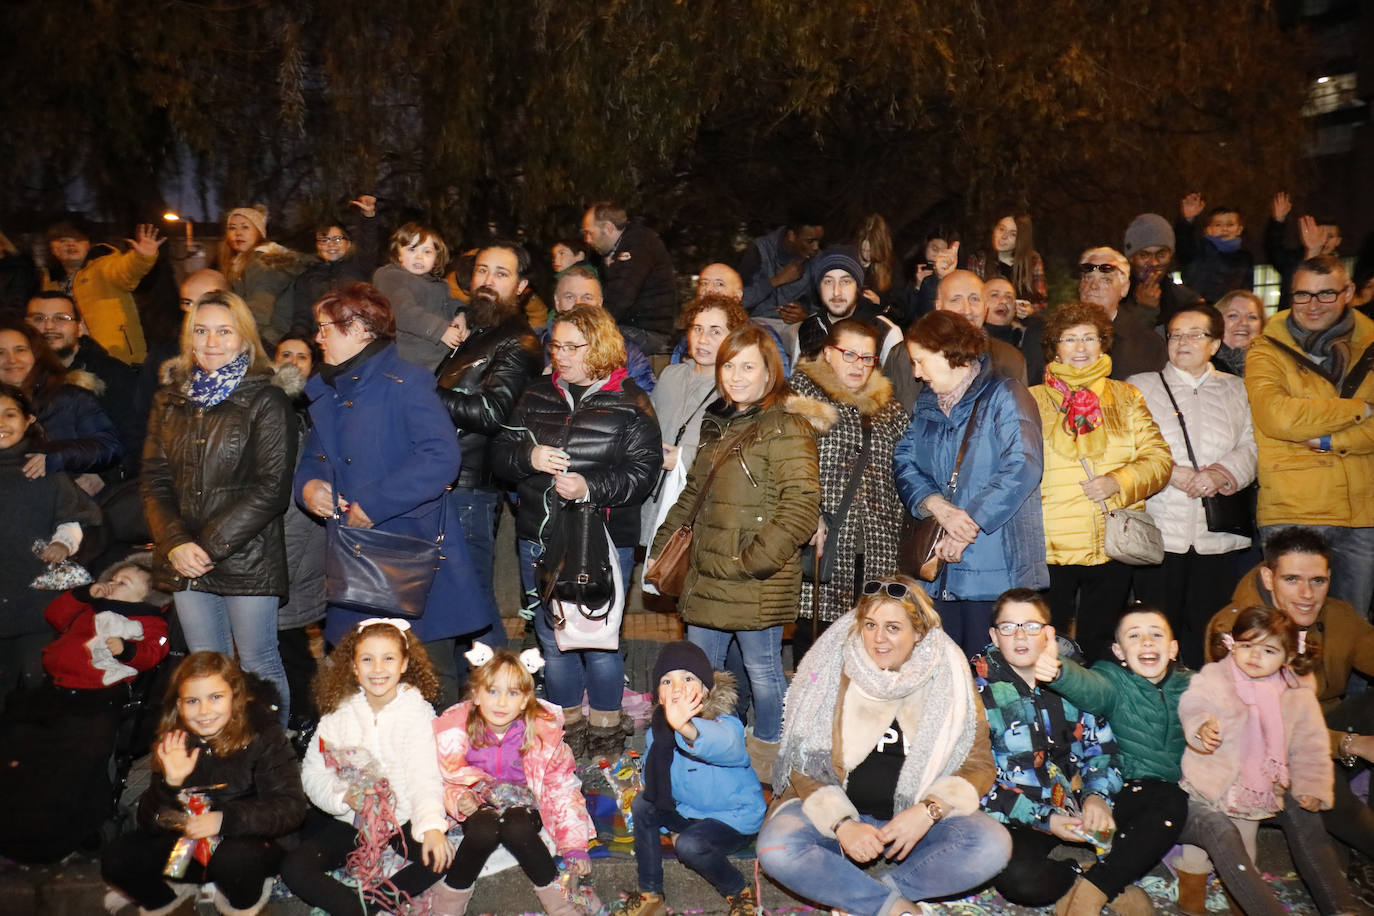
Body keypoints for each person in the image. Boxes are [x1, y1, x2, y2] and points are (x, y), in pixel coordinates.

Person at [757, 577, 1011, 916]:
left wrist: (928, 811)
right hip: (837, 814)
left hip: (914, 823)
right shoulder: (834, 665)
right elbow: (805, 760)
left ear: (918, 632)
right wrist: (842, 823)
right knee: (776, 847)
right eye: (870, 625)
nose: (878, 638)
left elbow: (979, 763)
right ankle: (893, 909)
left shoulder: (950, 674)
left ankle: (871, 897)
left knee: (992, 845)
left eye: (893, 627)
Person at [295, 283, 498, 706]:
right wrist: (310, 486)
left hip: (412, 555)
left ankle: (441, 765)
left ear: (361, 330)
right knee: (356, 676)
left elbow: (441, 458)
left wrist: (375, 504)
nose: (318, 337)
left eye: (325, 327)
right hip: (354, 555)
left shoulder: (406, 383)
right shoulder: (329, 388)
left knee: (427, 677)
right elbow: (317, 456)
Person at [649, 325, 820, 782]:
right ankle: (709, 756)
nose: (737, 376)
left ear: (770, 372)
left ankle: (768, 762)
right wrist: (663, 548)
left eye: (749, 366)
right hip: (706, 572)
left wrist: (754, 562)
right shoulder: (716, 421)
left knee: (763, 671)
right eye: (729, 365)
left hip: (753, 578)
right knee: (700, 674)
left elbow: (801, 505)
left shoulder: (786, 424)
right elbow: (691, 497)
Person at [491, 304, 661, 761]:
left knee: (601, 641)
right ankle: (564, 740)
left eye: (572, 346)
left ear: (600, 346)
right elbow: (499, 454)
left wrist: (592, 486)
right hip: (540, 535)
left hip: (603, 540)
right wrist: (529, 458)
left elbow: (644, 474)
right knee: (553, 641)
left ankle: (605, 739)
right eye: (556, 345)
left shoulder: (630, 400)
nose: (560, 355)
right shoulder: (535, 395)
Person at [141, 290, 298, 719]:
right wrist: (175, 543)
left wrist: (206, 547)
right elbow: (154, 480)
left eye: (223, 331)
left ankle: (271, 762)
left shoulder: (266, 399)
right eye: (201, 331)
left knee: (258, 664)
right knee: (205, 669)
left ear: (244, 339)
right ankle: (217, 756)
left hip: (246, 555)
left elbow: (271, 488)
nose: (211, 342)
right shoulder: (170, 400)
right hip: (185, 555)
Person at [1204, 528, 1374, 859]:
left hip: (1326, 728)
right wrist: (1352, 744)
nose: (1308, 594)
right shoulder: (1235, 630)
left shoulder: (1337, 615)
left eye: (1318, 581)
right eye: (1292, 580)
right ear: (1268, 578)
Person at [1175, 605, 1355, 916]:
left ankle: (1242, 896)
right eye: (1246, 646)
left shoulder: (1297, 696)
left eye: (1268, 650)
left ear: (1287, 657)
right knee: (1197, 850)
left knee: (1245, 848)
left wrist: (1312, 787)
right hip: (1210, 777)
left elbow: (1311, 747)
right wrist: (1201, 726)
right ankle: (1190, 894)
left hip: (1254, 788)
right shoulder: (1217, 676)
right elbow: (1193, 703)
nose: (1254, 657)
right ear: (1233, 644)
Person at [101, 652, 307, 916]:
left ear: (235, 696)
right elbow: (150, 822)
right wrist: (170, 784)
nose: (204, 711)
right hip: (188, 848)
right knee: (117, 858)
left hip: (250, 845)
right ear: (180, 704)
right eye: (192, 701)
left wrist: (224, 820)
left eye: (216, 697)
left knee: (232, 862)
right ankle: (170, 897)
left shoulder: (264, 737)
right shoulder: (175, 741)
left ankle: (239, 900)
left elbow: (291, 809)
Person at [896, 311, 1047, 655]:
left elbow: (1024, 465)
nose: (916, 373)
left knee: (993, 679)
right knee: (943, 677)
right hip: (937, 573)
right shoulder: (927, 405)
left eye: (921, 361)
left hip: (996, 569)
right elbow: (904, 460)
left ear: (948, 352)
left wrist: (968, 523)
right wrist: (936, 505)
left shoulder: (1006, 394)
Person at [1031, 302, 1171, 662]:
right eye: (1070, 339)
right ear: (1054, 347)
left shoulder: (1126, 397)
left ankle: (1098, 715)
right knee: (1048, 644)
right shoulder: (1031, 400)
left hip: (1112, 542)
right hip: (1050, 545)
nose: (1080, 348)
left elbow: (1159, 460)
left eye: (1089, 338)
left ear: (1103, 343)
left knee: (1100, 645)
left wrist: (1117, 481)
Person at [283, 620, 451, 916]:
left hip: (403, 818)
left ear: (404, 664)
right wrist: (342, 798)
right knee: (295, 868)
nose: (377, 668)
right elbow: (312, 774)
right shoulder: (338, 716)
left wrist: (432, 828)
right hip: (352, 821)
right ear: (354, 666)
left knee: (443, 857)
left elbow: (425, 777)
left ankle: (373, 903)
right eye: (367, 659)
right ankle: (356, 909)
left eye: (388, 658)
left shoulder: (417, 713)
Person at [1032, 605, 1191, 916]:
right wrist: (1059, 669)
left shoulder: (1192, 685)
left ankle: (1092, 884)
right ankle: (1097, 890)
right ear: (1119, 651)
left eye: (1156, 635)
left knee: (1170, 803)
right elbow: (1090, 689)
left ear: (1173, 648)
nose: (1146, 642)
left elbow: (1225, 701)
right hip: (1116, 788)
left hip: (1161, 796)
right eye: (1135, 636)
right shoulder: (1113, 680)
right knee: (1170, 802)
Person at [971, 589, 1122, 908]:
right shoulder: (977, 694)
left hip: (1079, 801)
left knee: (1155, 810)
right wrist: (1045, 820)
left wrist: (1097, 797)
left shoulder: (1073, 679)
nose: (1020, 636)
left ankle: (1103, 872)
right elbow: (975, 780)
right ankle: (1083, 873)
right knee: (1018, 878)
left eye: (1031, 626)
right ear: (995, 637)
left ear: (1049, 633)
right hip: (1020, 815)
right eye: (1008, 627)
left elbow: (1103, 747)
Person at [1127, 303, 1257, 667]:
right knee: (1156, 628)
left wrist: (1221, 474)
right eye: (1175, 335)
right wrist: (1171, 473)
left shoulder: (1236, 389)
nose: (1182, 341)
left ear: (1214, 344)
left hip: (1216, 533)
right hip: (1160, 530)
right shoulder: (1141, 386)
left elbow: (1252, 444)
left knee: (1210, 629)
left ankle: (1208, 707)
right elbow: (1127, 446)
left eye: (1194, 334)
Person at [1245, 255, 1374, 618]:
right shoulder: (1266, 347)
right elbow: (1278, 418)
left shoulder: (1370, 343)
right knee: (1287, 630)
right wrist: (1360, 409)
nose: (1312, 306)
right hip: (1294, 508)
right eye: (1302, 295)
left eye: (1325, 294)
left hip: (1362, 513)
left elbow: (1296, 416)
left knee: (1352, 633)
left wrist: (1334, 440)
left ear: (1348, 292)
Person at [430, 644, 594, 916]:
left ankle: (563, 905)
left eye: (512, 693)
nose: (502, 702)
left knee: (515, 825)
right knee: (485, 826)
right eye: (492, 691)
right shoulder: (455, 731)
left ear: (525, 699)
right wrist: (459, 798)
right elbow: (442, 779)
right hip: (480, 807)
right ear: (477, 695)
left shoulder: (542, 735)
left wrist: (574, 845)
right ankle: (446, 908)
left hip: (526, 806)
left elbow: (562, 789)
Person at [434, 243, 544, 641]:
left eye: (501, 274)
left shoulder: (518, 342)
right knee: (456, 607)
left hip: (470, 490)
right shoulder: (474, 332)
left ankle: (497, 694)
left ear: (522, 286)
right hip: (445, 482)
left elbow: (491, 414)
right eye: (482, 271)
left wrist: (424, 391)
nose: (487, 281)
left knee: (473, 608)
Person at [614, 641, 765, 916]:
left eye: (688, 678)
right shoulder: (656, 735)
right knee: (642, 804)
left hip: (732, 819)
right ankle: (651, 895)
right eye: (667, 681)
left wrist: (686, 728)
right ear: (658, 696)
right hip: (688, 813)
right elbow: (660, 789)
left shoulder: (725, 723)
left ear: (706, 690)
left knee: (689, 844)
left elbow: (726, 745)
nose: (678, 687)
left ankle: (739, 891)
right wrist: (668, 825)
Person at [790, 318, 909, 659]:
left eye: (868, 358)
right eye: (849, 354)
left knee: (869, 641)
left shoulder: (889, 408)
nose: (859, 365)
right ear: (828, 353)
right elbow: (789, 466)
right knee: (816, 641)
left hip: (876, 544)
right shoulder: (802, 398)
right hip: (822, 543)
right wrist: (808, 514)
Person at [0, 382, 101, 705]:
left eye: (9, 414)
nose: (1, 424)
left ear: (29, 419)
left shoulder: (43, 468)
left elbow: (72, 517)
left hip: (38, 598)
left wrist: (63, 543)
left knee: (37, 680)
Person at [640, 294, 748, 549]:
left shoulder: (737, 388)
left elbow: (738, 455)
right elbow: (647, 428)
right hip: (652, 501)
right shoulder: (670, 375)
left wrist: (683, 457)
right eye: (697, 329)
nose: (703, 339)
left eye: (715, 331)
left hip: (698, 509)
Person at [26, 291, 141, 476]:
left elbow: (135, 437)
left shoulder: (111, 374)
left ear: (79, 328)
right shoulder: (16, 374)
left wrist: (105, 478)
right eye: (38, 318)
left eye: (61, 318)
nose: (48, 326)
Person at [0, 315, 123, 482]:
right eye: (0, 352)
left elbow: (109, 447)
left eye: (20, 350)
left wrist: (55, 455)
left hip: (69, 501)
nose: (12, 359)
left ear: (36, 355)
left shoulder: (70, 398)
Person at [1028, 247, 1168, 382]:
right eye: (1087, 278)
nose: (1093, 286)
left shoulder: (1148, 345)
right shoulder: (1047, 335)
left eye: (1105, 279)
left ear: (1124, 288)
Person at [45, 221, 164, 364]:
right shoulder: (48, 283)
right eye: (63, 240)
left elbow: (125, 270)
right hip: (68, 360)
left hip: (116, 358)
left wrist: (142, 257)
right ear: (53, 248)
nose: (71, 244)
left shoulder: (102, 266)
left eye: (78, 239)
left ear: (88, 244)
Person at [536, 266, 656, 393]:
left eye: (587, 298)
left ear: (599, 304)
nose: (578, 304)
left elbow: (645, 398)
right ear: (557, 302)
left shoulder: (626, 352)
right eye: (569, 297)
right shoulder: (536, 348)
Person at [580, 201, 677, 353]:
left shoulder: (639, 244)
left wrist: (587, 326)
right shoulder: (622, 247)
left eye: (589, 233)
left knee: (582, 342)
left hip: (647, 333)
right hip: (637, 329)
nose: (587, 240)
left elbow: (620, 298)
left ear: (608, 228)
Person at [372, 222, 463, 370]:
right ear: (398, 254)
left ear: (436, 258)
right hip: (408, 362)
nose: (419, 257)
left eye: (427, 252)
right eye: (412, 249)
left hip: (438, 359)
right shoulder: (391, 277)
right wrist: (441, 330)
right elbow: (402, 311)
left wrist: (461, 314)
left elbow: (448, 302)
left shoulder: (436, 283)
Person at [288, 195, 382, 331]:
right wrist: (298, 340)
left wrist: (368, 216)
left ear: (348, 244)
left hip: (358, 336)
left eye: (337, 239)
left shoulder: (360, 268)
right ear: (317, 246)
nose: (331, 245)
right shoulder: (306, 279)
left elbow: (368, 245)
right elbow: (301, 318)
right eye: (324, 240)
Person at [218, 205, 309, 343]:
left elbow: (258, 312)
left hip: (268, 339)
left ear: (259, 232)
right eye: (232, 227)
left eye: (245, 227)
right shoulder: (240, 263)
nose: (238, 233)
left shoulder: (261, 264)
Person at [796, 245, 901, 363]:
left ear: (858, 287)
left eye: (845, 282)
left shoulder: (886, 333)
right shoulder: (808, 328)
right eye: (828, 281)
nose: (836, 292)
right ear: (819, 288)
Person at [930, 270, 1028, 384]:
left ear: (985, 307)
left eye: (974, 299)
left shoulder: (1010, 358)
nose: (967, 310)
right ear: (938, 307)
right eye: (956, 300)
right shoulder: (919, 354)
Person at [1121, 213, 1203, 329]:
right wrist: (1145, 309)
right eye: (1144, 255)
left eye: (1161, 254)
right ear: (1131, 258)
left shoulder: (1186, 300)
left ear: (1170, 255)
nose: (1154, 263)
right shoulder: (1115, 297)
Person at [1176, 194, 1254, 304]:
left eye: (1230, 224)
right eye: (1218, 225)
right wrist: (1187, 221)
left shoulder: (1245, 258)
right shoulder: (1198, 249)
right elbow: (1183, 243)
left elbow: (1247, 291)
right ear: (1208, 230)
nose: (1225, 229)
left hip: (1229, 311)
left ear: (1239, 229)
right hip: (1198, 309)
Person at [966, 212, 1046, 311]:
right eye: (1001, 229)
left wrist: (1031, 309)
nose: (1004, 236)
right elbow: (973, 299)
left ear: (1021, 239)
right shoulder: (979, 259)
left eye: (1012, 234)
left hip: (1024, 322)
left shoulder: (1032, 260)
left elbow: (1041, 302)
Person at [855, 213, 903, 310]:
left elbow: (899, 307)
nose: (866, 255)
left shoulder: (892, 266)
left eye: (870, 251)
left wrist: (879, 301)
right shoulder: (850, 259)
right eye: (863, 250)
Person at [1212, 289, 1264, 376]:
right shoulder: (1204, 366)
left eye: (1252, 317)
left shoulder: (1274, 364)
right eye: (1233, 316)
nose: (1244, 323)